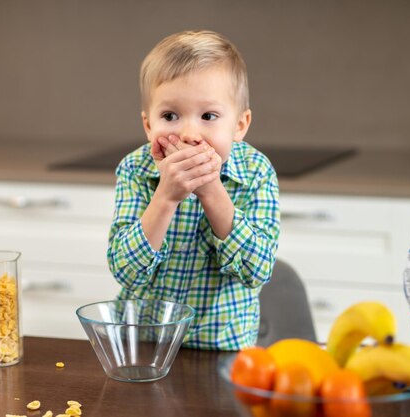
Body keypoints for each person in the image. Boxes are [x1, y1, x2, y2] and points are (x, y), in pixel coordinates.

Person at [106, 30, 280, 350]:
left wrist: (212, 191)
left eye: (208, 116)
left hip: (222, 349)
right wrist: (166, 196)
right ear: (148, 125)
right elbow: (126, 271)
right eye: (170, 116)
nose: (189, 133)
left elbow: (257, 270)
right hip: (145, 345)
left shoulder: (256, 171)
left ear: (240, 125)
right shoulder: (135, 169)